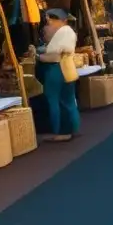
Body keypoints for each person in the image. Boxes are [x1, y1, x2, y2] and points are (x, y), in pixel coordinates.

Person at [36, 8, 80, 143]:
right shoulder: (68, 31)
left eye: (49, 20)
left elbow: (54, 56)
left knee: (56, 101)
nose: (48, 23)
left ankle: (62, 131)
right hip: (68, 68)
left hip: (58, 69)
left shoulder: (63, 32)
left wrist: (37, 56)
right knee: (68, 100)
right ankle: (72, 128)